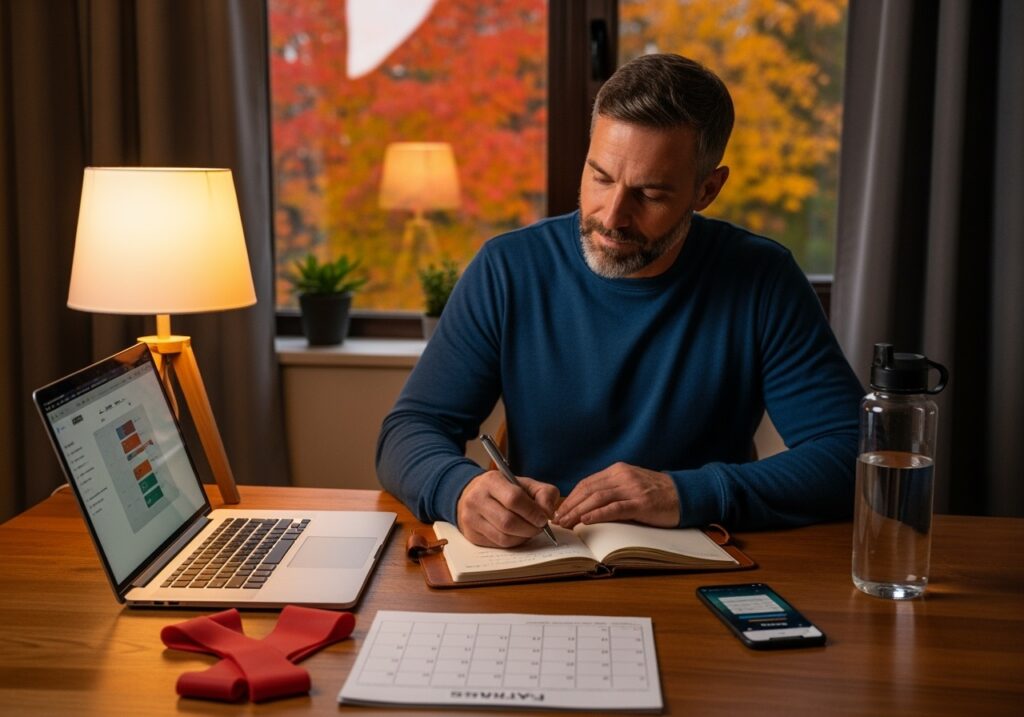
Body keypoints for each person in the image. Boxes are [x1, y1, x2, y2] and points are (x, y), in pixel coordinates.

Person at [377, 53, 863, 548]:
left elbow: (852, 453)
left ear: (707, 189)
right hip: (540, 561)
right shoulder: (508, 269)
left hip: (699, 564)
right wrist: (458, 491)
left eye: (650, 194)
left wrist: (686, 492)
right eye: (601, 177)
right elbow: (410, 430)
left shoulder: (763, 279)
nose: (612, 216)